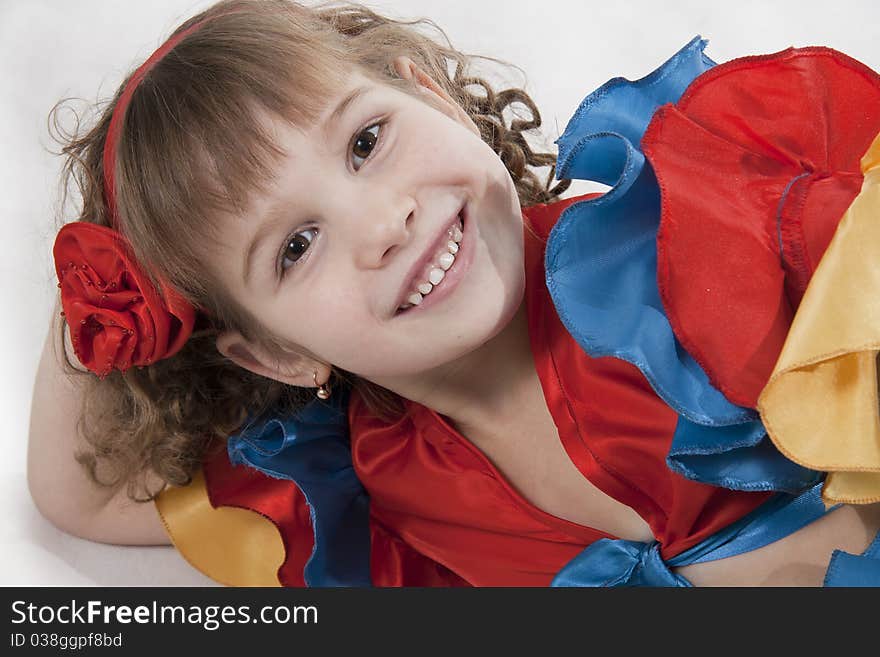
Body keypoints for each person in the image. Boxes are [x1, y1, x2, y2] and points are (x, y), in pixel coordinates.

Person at [27, 0, 880, 587]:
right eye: (295, 246)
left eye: (366, 141)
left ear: (432, 96)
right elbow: (81, 495)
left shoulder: (682, 240)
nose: (382, 224)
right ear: (278, 352)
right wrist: (100, 292)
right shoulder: (370, 494)